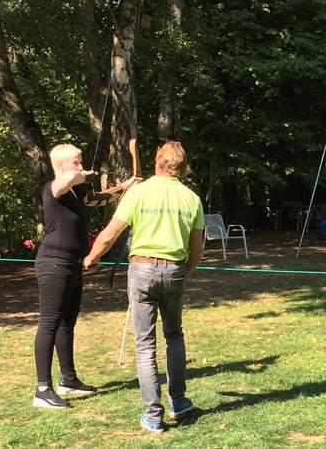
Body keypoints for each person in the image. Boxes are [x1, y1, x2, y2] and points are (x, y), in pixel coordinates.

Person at [84, 140, 204, 433]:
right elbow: (197, 253)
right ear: (181, 167)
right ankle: (178, 402)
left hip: (142, 269)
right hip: (174, 270)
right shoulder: (192, 199)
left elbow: (110, 234)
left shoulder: (139, 192)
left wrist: (91, 258)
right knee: (174, 336)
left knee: (145, 344)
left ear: (158, 162)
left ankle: (154, 415)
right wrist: (181, 272)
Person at [34, 143, 140, 409]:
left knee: (67, 323)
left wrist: (123, 188)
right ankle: (42, 390)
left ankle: (68, 380)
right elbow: (65, 180)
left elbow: (98, 198)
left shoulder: (76, 192)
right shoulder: (53, 190)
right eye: (76, 162)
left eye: (81, 162)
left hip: (73, 263)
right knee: (49, 323)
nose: (81, 167)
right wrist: (82, 173)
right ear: (60, 165)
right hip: (53, 263)